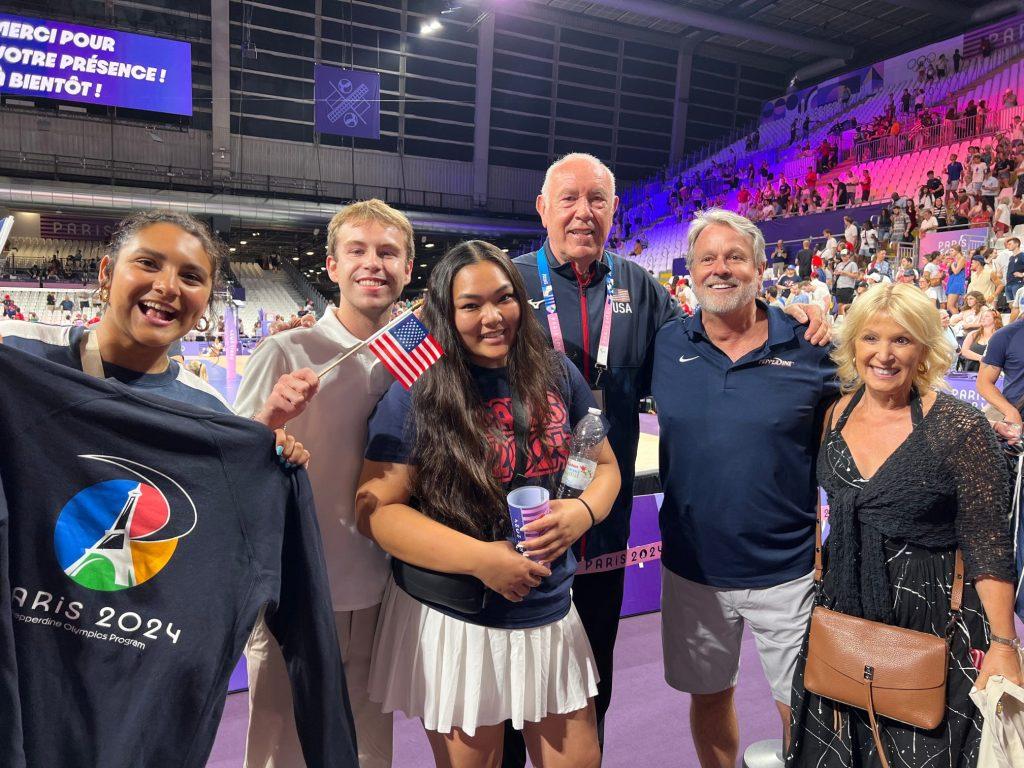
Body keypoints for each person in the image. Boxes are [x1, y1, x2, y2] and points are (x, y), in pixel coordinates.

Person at [508, 153, 827, 763]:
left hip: (603, 520)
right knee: (507, 683)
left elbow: (713, 333)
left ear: (614, 211)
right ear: (542, 208)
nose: (583, 212)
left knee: (590, 676)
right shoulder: (507, 277)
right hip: (514, 521)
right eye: (568, 198)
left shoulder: (640, 288)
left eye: (597, 199)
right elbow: (428, 340)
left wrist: (800, 317)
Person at [357, 241, 621, 768]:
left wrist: (582, 512)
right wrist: (481, 560)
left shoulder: (555, 371)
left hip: (549, 608)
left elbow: (606, 467)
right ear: (447, 313)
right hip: (458, 616)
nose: (493, 316)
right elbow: (376, 509)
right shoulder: (418, 387)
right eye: (471, 305)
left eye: (504, 298)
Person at [788, 282, 1021, 767]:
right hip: (845, 609)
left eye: (902, 340)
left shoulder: (960, 428)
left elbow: (990, 543)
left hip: (935, 617)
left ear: (925, 350)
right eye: (871, 338)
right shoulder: (836, 414)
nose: (884, 354)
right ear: (853, 344)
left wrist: (1003, 644)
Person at [651, 209, 839, 768]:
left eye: (735, 257)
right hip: (693, 571)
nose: (721, 268)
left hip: (788, 570)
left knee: (803, 706)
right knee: (709, 696)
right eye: (707, 258)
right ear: (690, 271)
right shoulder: (666, 345)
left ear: (760, 266)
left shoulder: (812, 345)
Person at [237, 200, 416, 768]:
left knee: (369, 755)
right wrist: (271, 421)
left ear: (408, 268)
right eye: (357, 251)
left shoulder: (413, 355)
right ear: (332, 267)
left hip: (383, 589)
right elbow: (234, 466)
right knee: (281, 755)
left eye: (388, 252)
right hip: (298, 592)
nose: (374, 264)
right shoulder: (286, 352)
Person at [959, 307, 1002, 372]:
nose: (983, 318)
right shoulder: (973, 334)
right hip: (971, 371)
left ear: (995, 320)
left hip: (991, 371)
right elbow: (964, 351)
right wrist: (981, 358)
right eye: (982, 316)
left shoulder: (1000, 336)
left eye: (987, 316)